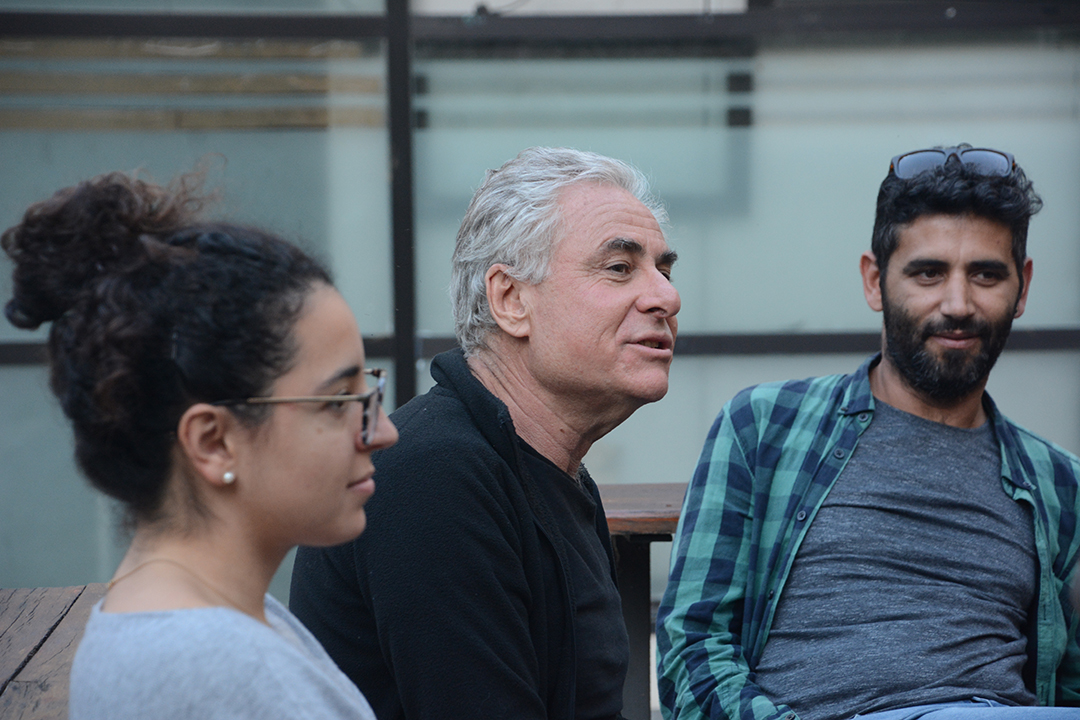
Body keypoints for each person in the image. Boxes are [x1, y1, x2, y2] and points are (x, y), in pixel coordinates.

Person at [656, 145, 1080, 720]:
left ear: (1022, 288)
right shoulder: (766, 426)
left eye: (986, 274)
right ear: (875, 281)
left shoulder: (1061, 484)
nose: (958, 303)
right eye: (928, 273)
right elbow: (692, 649)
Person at [290, 146, 681, 720]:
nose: (666, 297)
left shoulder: (552, 470)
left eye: (664, 270)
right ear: (510, 300)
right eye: (620, 268)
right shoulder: (431, 475)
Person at [2, 169, 398, 719]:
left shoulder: (215, 624)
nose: (383, 432)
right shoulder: (211, 668)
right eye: (337, 401)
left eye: (367, 392)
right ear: (213, 441)